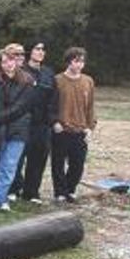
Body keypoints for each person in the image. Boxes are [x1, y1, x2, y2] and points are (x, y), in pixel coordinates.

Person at [0, 44, 34, 216]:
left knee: (9, 166)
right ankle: (2, 198)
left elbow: (21, 108)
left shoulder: (27, 80)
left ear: (17, 61)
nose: (8, 64)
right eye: (4, 61)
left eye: (11, 60)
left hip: (18, 130)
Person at [11, 40, 57, 204]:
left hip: (42, 123)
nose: (41, 52)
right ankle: (14, 189)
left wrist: (51, 120)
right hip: (23, 122)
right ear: (30, 52)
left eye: (43, 49)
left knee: (38, 158)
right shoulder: (20, 71)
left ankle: (32, 192)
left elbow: (54, 97)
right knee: (17, 157)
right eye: (37, 48)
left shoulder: (48, 73)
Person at [51, 47, 96, 203]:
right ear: (69, 62)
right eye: (76, 61)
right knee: (58, 163)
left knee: (77, 164)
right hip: (61, 129)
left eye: (82, 61)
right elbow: (51, 105)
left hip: (80, 129)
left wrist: (90, 127)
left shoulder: (88, 81)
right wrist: (55, 122)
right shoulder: (57, 80)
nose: (79, 64)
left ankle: (70, 189)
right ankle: (60, 192)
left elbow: (90, 106)